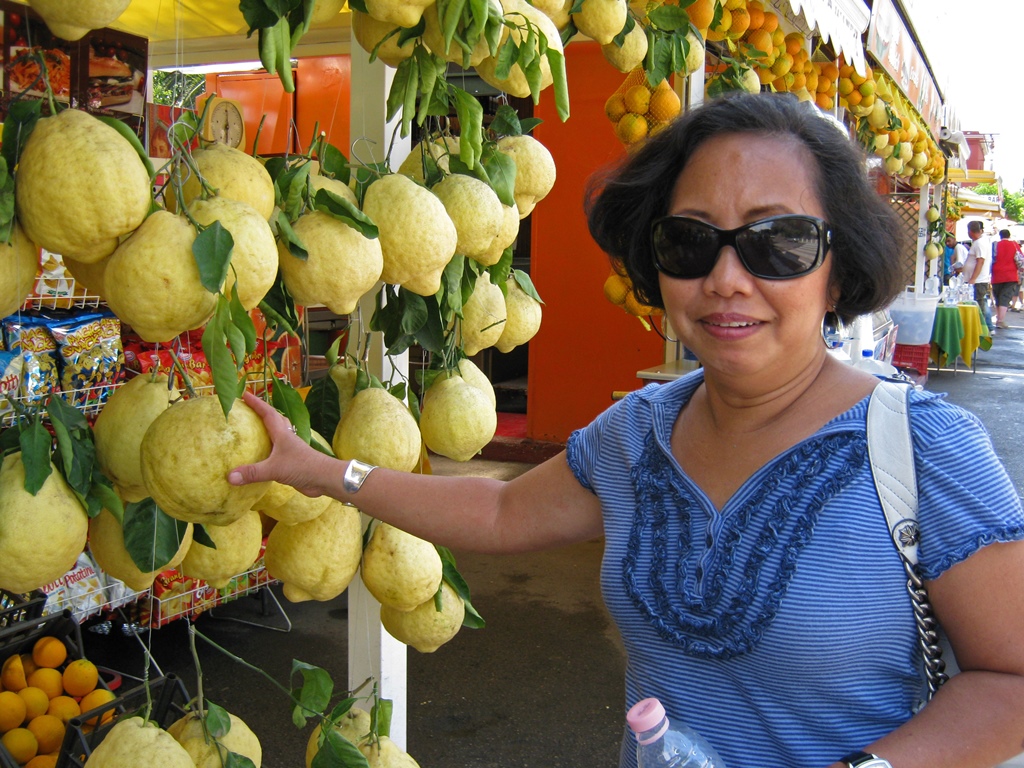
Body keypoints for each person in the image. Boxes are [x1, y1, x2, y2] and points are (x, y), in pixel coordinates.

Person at [229, 93, 1024, 768]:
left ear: (839, 269)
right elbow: (500, 514)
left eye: (777, 241)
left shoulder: (924, 450)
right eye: (689, 241)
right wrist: (330, 474)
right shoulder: (638, 433)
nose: (724, 278)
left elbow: (1011, 679)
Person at [963, 219, 994, 329]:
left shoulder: (980, 243)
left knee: (979, 306)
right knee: (981, 304)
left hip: (978, 281)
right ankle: (986, 327)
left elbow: (980, 261)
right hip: (978, 280)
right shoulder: (979, 242)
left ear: (970, 231)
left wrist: (973, 279)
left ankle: (983, 329)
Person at [991, 229, 1022, 329]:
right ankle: (1000, 320)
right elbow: (1020, 259)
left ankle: (998, 318)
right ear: (1009, 235)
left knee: (998, 297)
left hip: (996, 274)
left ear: (1000, 236)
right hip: (1010, 275)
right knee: (1005, 297)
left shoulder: (995, 245)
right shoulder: (1014, 244)